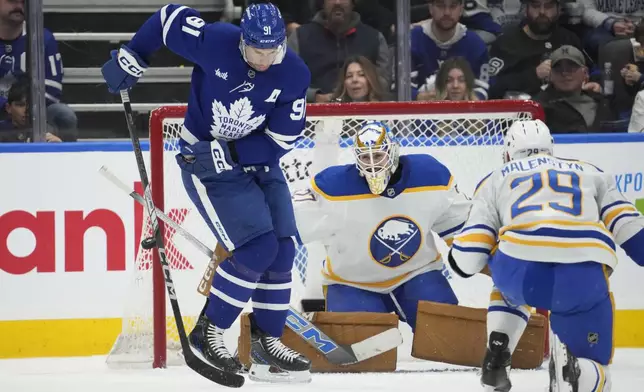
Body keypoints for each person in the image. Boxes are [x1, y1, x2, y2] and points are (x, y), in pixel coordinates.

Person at [101, 2, 313, 383]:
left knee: (283, 247)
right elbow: (167, 18)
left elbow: (283, 137)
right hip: (204, 163)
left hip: (257, 161)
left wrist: (233, 152)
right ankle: (209, 331)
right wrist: (134, 54)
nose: (265, 60)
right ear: (243, 41)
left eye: (272, 49)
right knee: (257, 248)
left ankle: (267, 343)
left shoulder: (295, 71)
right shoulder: (216, 40)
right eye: (256, 50)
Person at [447, 119, 644, 391]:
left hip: (522, 271)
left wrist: (460, 261)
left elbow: (468, 256)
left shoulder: (497, 177)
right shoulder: (592, 172)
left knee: (505, 284)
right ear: (551, 148)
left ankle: (499, 348)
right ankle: (578, 372)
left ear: (507, 152)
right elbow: (630, 228)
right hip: (583, 274)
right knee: (599, 373)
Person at [292, 120, 470, 334]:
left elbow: (465, 232)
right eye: (365, 157)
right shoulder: (332, 188)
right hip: (351, 284)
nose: (372, 165)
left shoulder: (429, 176)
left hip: (416, 275)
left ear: (392, 152)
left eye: (377, 156)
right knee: (364, 352)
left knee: (447, 334)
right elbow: (289, 228)